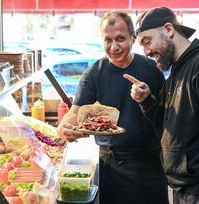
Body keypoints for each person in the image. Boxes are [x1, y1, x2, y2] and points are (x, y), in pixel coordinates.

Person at [124, 7, 199, 204]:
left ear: (169, 29)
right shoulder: (176, 72)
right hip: (186, 188)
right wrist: (146, 100)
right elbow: (166, 126)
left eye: (148, 41)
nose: (146, 51)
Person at [57, 11, 169, 204]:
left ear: (133, 38)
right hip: (112, 165)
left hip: (149, 163)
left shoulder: (152, 69)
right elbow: (75, 112)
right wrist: (64, 127)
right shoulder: (94, 73)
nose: (114, 46)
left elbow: (167, 116)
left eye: (120, 39)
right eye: (108, 40)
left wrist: (147, 98)